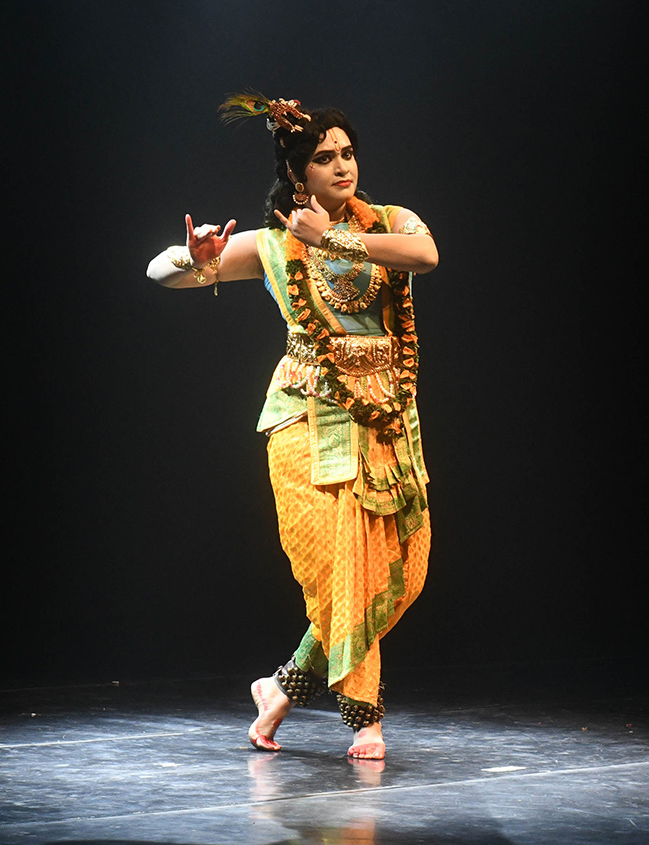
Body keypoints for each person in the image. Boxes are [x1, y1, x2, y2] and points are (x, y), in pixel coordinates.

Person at [147, 94, 439, 760]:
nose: (341, 167)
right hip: (307, 417)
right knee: (343, 565)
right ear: (297, 176)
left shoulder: (392, 222)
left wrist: (332, 236)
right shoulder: (275, 245)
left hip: (386, 421)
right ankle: (365, 717)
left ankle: (279, 688)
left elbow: (426, 257)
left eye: (346, 153)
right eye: (322, 159)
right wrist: (195, 258)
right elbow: (158, 272)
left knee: (406, 568)